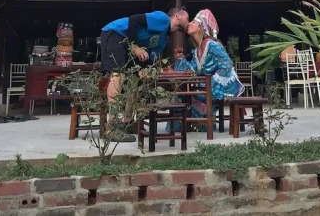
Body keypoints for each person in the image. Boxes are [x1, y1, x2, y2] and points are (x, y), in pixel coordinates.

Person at [100, 7, 189, 141]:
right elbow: (134, 20)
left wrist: (145, 70)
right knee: (118, 74)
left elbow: (149, 59)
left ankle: (128, 122)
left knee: (134, 79)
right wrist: (135, 46)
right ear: (177, 16)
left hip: (129, 44)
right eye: (187, 19)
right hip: (116, 34)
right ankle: (111, 127)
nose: (189, 22)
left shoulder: (163, 40)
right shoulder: (163, 18)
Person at [174, 9, 244, 123]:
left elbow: (226, 65)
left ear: (201, 27)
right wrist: (181, 59)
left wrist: (212, 82)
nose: (189, 24)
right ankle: (187, 124)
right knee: (182, 94)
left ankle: (203, 124)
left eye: (193, 22)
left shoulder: (212, 45)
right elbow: (193, 71)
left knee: (197, 94)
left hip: (224, 84)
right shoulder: (196, 51)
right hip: (207, 84)